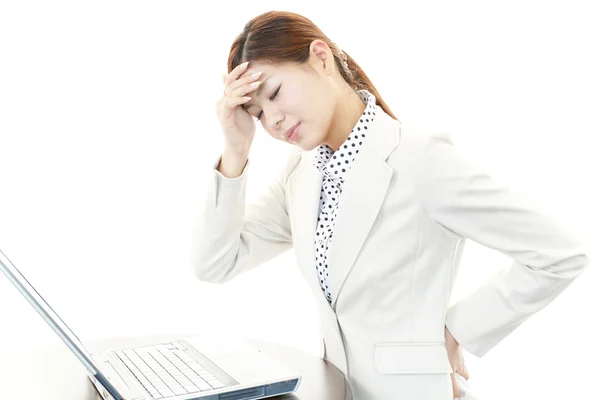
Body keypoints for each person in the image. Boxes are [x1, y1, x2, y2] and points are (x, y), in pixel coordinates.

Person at [190, 10, 589, 400]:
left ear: (321, 58)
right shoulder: (301, 176)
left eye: (274, 93)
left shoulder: (419, 158)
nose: (272, 121)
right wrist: (235, 149)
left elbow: (559, 253)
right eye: (257, 113)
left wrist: (457, 330)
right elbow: (215, 262)